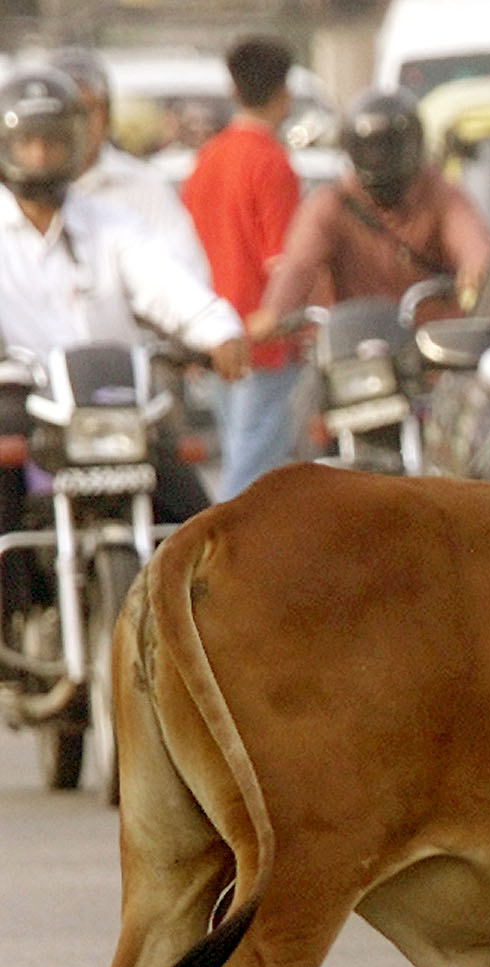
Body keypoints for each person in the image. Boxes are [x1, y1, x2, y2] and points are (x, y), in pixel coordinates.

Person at [0, 68, 248, 614]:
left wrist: (218, 329)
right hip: (21, 407)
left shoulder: (110, 224)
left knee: (204, 533)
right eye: (29, 141)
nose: (41, 155)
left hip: (114, 406)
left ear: (76, 144)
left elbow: (166, 284)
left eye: (54, 141)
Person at [251, 87, 490, 337]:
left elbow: (471, 240)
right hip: (354, 349)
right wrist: (276, 312)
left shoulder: (439, 194)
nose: (380, 159)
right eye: (371, 150)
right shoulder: (334, 203)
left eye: (389, 148)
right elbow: (299, 264)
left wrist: (476, 269)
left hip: (430, 351)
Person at [181, 35, 305, 500]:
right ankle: (225, 561)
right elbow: (283, 261)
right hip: (263, 339)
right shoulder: (272, 163)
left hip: (215, 335)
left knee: (239, 453)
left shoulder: (206, 160)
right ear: (283, 92)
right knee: (253, 471)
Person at [44, 49, 210, 282]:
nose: (78, 123)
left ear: (106, 113)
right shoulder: (19, 192)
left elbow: (187, 276)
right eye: (69, 111)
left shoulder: (145, 187)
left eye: (89, 109)